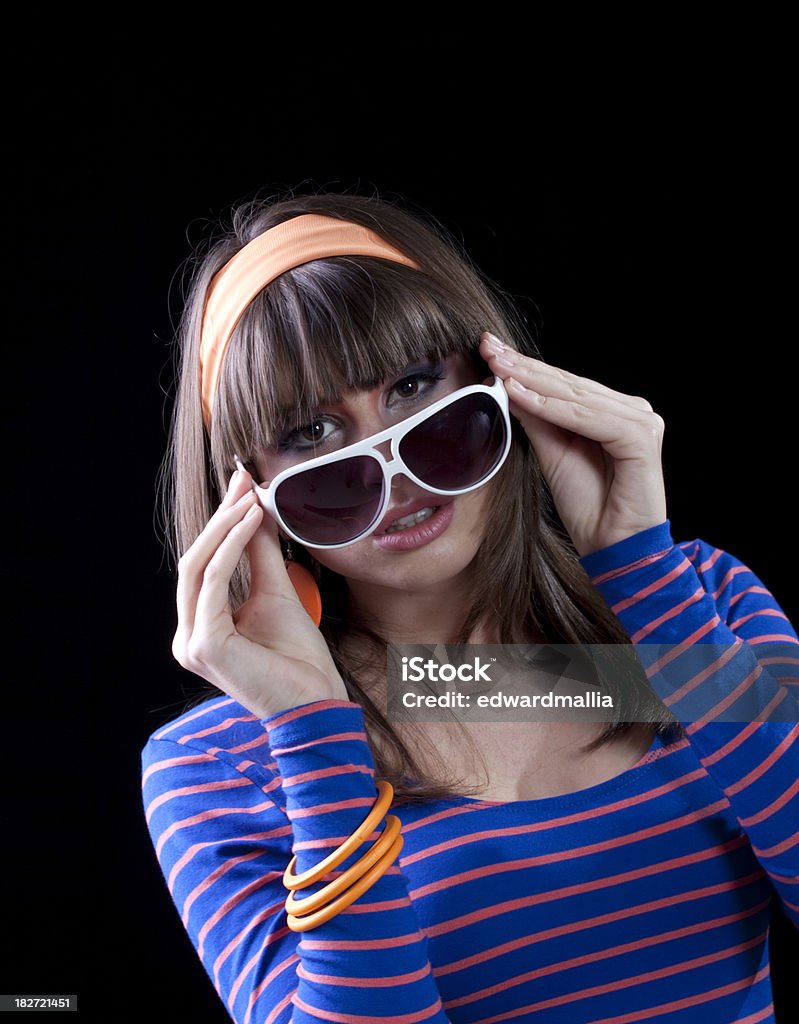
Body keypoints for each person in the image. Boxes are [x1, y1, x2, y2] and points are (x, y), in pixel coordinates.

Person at [141, 189, 798, 1023]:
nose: (395, 467)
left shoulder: (701, 609)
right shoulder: (220, 763)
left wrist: (645, 579)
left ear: (498, 379)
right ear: (247, 494)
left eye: (414, 385)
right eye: (311, 433)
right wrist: (312, 731)